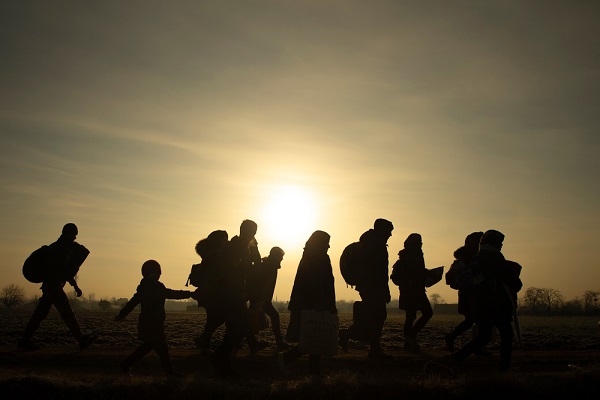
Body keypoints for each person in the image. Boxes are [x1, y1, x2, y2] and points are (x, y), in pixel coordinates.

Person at [450, 230, 522, 371]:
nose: (501, 245)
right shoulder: (495, 257)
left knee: (483, 337)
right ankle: (504, 369)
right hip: (497, 304)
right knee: (506, 336)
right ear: (494, 242)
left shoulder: (477, 258)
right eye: (500, 242)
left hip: (480, 304)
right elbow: (510, 280)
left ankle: (456, 358)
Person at [18, 223, 96, 351]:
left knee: (40, 314)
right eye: (74, 235)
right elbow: (63, 271)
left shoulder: (58, 248)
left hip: (51, 286)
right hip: (53, 286)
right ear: (69, 234)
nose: (75, 238)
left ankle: (24, 341)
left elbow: (64, 271)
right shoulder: (60, 249)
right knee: (67, 313)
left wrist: (75, 286)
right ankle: (81, 340)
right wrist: (74, 285)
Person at [115, 259, 194, 376]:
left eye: (158, 273)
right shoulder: (153, 288)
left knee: (150, 347)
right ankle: (169, 372)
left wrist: (122, 315)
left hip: (152, 323)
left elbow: (132, 303)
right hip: (151, 324)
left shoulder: (147, 287)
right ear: (147, 274)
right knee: (161, 348)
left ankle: (127, 363)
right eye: (155, 273)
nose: (157, 275)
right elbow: (171, 294)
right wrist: (191, 294)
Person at [278, 230, 337, 378]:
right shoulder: (319, 257)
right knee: (313, 337)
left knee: (312, 337)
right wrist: (321, 303)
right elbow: (317, 282)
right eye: (326, 242)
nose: (329, 246)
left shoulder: (309, 256)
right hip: (313, 303)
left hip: (305, 302)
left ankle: (313, 370)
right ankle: (287, 359)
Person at [209, 219, 261, 378]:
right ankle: (221, 361)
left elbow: (255, 264)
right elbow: (231, 271)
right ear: (245, 231)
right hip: (230, 294)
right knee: (236, 328)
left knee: (237, 328)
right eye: (252, 232)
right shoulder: (236, 248)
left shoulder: (241, 247)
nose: (253, 235)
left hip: (234, 293)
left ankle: (221, 361)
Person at [339, 218, 394, 360]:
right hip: (373, 287)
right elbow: (380, 272)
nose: (391, 235)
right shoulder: (377, 246)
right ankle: (354, 338)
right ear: (382, 231)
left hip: (366, 287)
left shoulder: (368, 243)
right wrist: (385, 291)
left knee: (373, 317)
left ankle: (370, 346)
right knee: (378, 317)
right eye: (389, 231)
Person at [392, 233, 433, 351]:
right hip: (412, 291)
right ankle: (410, 338)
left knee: (410, 317)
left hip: (413, 290)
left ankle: (408, 340)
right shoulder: (412, 256)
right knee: (425, 313)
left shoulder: (411, 255)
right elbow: (408, 273)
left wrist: (426, 273)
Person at [190, 230, 229, 355]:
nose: (226, 242)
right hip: (213, 293)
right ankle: (204, 341)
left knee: (212, 320)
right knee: (219, 318)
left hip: (208, 293)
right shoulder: (215, 255)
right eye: (224, 239)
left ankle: (204, 344)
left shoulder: (209, 254)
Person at [444, 231, 483, 352]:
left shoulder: (465, 259)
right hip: (470, 294)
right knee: (476, 320)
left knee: (473, 320)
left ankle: (455, 338)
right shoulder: (467, 260)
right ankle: (474, 347)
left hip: (469, 293)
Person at [247, 246, 289, 351]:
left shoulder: (267, 265)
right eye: (281, 257)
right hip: (261, 298)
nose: (282, 259)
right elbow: (264, 284)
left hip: (259, 298)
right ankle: (279, 342)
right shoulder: (269, 266)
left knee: (251, 320)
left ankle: (250, 342)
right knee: (273, 316)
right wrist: (263, 300)